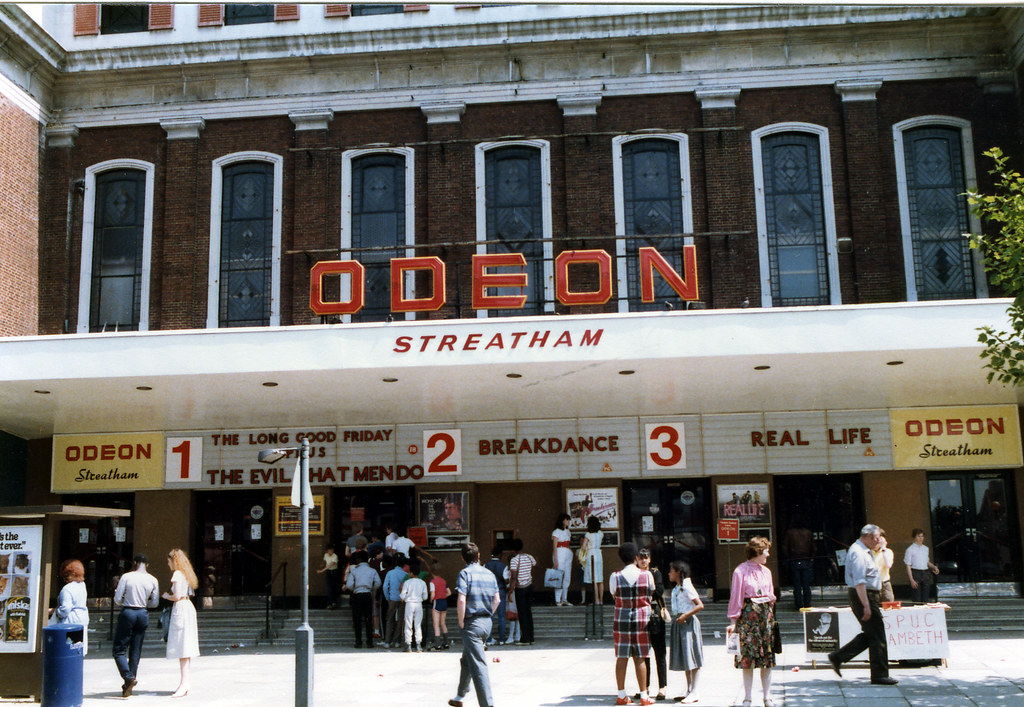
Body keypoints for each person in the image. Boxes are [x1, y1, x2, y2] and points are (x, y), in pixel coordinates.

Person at [828, 524, 897, 686]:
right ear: (868, 536)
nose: (878, 541)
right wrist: (866, 605)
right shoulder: (858, 553)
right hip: (864, 596)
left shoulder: (864, 550)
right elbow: (859, 582)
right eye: (876, 538)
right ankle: (880, 675)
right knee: (878, 634)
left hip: (867, 595)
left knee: (872, 633)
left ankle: (838, 657)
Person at [448, 542, 500, 707]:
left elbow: (461, 600)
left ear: (462, 558)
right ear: (478, 556)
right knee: (467, 659)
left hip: (472, 623)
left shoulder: (464, 573)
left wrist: (461, 621)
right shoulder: (489, 574)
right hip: (486, 622)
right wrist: (489, 614)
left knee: (478, 664)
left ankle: (487, 704)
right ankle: (460, 696)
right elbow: (497, 599)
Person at [726, 536, 776, 707]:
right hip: (748, 618)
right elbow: (736, 597)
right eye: (766, 551)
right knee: (747, 659)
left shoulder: (766, 572)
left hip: (765, 618)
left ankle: (767, 697)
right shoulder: (740, 571)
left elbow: (771, 594)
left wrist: (770, 600)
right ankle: (747, 697)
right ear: (758, 552)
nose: (768, 554)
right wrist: (733, 621)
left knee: (766, 659)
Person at [610, 542, 655, 706]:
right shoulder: (647, 575)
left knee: (621, 656)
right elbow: (651, 592)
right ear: (636, 557)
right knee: (640, 657)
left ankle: (621, 695)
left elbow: (614, 594)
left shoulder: (615, 576)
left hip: (621, 618)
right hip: (642, 618)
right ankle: (644, 696)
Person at [112, 553, 160, 698]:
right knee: (136, 649)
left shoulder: (127, 577)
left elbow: (117, 599)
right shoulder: (153, 579)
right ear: (147, 565)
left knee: (119, 650)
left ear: (134, 563)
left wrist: (126, 601)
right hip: (142, 613)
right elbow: (155, 603)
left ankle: (128, 677)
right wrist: (144, 603)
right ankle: (129, 682)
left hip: (128, 611)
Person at [162, 548, 199, 698]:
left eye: (169, 561)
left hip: (181, 608)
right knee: (186, 648)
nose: (168, 564)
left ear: (174, 561)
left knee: (182, 648)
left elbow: (177, 596)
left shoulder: (177, 574)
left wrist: (166, 596)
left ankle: (184, 684)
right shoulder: (186, 573)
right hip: (188, 607)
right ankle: (185, 682)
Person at [668, 560, 703, 704]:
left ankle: (695, 691)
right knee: (686, 657)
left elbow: (700, 605)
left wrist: (685, 616)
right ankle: (688, 689)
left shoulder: (687, 586)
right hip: (680, 622)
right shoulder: (678, 588)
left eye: (671, 571)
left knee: (692, 656)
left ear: (678, 572)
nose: (669, 573)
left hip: (687, 623)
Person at [638, 548, 667, 702]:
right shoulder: (635, 573)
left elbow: (659, 590)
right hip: (640, 615)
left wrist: (645, 593)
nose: (643, 560)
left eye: (646, 557)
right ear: (637, 559)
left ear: (649, 559)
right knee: (643, 653)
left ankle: (662, 687)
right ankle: (645, 687)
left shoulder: (655, 573)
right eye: (641, 558)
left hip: (655, 614)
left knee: (659, 651)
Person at [345, 550, 381, 648]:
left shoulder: (355, 571)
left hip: (357, 595)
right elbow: (378, 583)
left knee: (357, 619)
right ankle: (369, 642)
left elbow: (349, 585)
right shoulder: (372, 570)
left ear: (358, 560)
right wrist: (371, 588)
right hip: (368, 595)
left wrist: (355, 589)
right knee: (368, 618)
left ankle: (358, 642)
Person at [53, 559, 89, 654]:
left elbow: (65, 609)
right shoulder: (82, 585)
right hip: (82, 619)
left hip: (70, 622)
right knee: (78, 650)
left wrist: (55, 611)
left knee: (68, 650)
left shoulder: (67, 589)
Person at [781, 516, 815, 610]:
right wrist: (811, 558)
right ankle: (807, 603)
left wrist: (788, 557)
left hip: (794, 559)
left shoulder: (790, 533)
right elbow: (814, 547)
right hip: (806, 559)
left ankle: (799, 604)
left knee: (797, 585)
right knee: (806, 584)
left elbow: (784, 547)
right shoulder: (808, 533)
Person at [509, 538, 536, 645]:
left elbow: (513, 578)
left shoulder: (514, 560)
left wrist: (510, 592)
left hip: (521, 589)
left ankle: (525, 639)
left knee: (522, 613)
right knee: (528, 612)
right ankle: (531, 638)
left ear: (513, 549)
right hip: (530, 586)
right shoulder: (529, 557)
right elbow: (535, 563)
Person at [904, 528, 939, 603]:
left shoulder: (925, 548)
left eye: (922, 536)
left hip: (925, 573)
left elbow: (927, 562)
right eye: (918, 536)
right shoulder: (910, 549)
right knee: (917, 597)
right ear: (914, 537)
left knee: (926, 596)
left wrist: (934, 567)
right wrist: (911, 580)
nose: (921, 538)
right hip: (916, 573)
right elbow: (908, 565)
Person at [400, 560, 429, 651]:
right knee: (418, 624)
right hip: (419, 604)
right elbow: (425, 597)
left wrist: (404, 598)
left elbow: (402, 595)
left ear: (411, 573)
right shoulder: (422, 583)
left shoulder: (407, 582)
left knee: (408, 624)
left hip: (409, 604)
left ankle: (408, 645)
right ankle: (418, 645)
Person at [484, 547, 510, 645]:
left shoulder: (486, 565)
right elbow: (506, 580)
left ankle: (489, 639)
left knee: (490, 615)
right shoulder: (503, 566)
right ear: (500, 554)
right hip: (501, 590)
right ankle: (502, 639)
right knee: (501, 616)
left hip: (489, 592)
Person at [383, 554, 409, 648]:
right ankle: (397, 641)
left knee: (390, 619)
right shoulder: (406, 574)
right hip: (402, 600)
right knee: (400, 620)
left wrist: (387, 598)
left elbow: (385, 587)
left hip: (392, 598)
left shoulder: (390, 573)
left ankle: (387, 641)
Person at [579, 515, 604, 605]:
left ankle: (596, 600)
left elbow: (583, 547)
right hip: (598, 554)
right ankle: (601, 600)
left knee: (594, 578)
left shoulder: (588, 534)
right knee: (600, 578)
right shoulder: (601, 533)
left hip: (591, 554)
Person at [551, 513, 574, 606]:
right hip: (559, 553)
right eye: (566, 520)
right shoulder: (556, 532)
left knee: (567, 577)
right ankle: (558, 599)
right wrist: (555, 560)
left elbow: (568, 544)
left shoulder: (568, 531)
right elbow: (554, 546)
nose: (568, 521)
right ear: (562, 520)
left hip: (567, 554)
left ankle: (564, 599)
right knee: (559, 576)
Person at [429, 561, 452, 650]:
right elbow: (449, 592)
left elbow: (433, 594)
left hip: (437, 602)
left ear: (432, 572)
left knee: (436, 624)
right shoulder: (444, 581)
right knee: (443, 623)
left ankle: (437, 644)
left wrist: (431, 600)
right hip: (444, 602)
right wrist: (443, 595)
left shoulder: (432, 582)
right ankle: (446, 643)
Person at [873, 529, 895, 603]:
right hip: (872, 583)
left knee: (889, 604)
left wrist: (883, 548)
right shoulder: (867, 552)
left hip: (884, 583)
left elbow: (888, 564)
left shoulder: (888, 551)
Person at [317, 543, 340, 609]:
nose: (330, 552)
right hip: (328, 572)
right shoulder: (326, 555)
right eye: (329, 551)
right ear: (327, 551)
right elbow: (324, 561)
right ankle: (330, 603)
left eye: (332, 550)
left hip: (334, 572)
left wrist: (321, 571)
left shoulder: (335, 556)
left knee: (333, 587)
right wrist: (322, 565)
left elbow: (330, 565)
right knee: (329, 588)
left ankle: (333, 602)